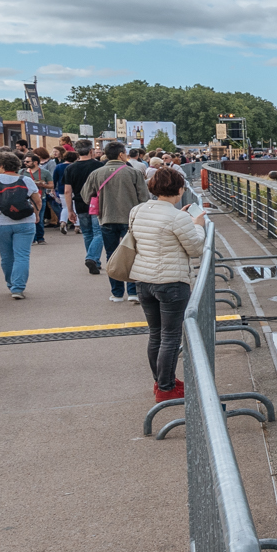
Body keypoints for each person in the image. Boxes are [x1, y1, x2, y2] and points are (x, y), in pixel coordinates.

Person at [127, 165, 205, 402]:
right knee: (171, 336)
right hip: (171, 282)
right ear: (180, 189)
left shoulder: (137, 210)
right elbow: (195, 249)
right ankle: (166, 387)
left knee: (156, 334)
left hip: (143, 279)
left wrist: (182, 220)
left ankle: (160, 381)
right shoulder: (178, 217)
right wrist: (197, 225)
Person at [85, 144, 149, 302]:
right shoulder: (133, 173)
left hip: (106, 218)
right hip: (130, 219)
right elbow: (144, 198)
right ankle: (133, 291)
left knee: (111, 255)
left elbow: (86, 195)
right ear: (121, 155)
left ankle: (117, 292)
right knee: (132, 254)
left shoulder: (96, 173)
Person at [0, 152, 39, 300]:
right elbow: (37, 200)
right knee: (22, 256)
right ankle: (18, 288)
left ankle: (11, 284)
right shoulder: (26, 180)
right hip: (25, 222)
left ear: (0, 165)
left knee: (6, 257)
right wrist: (36, 215)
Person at [65, 149, 103, 273]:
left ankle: (93, 259)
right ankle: (93, 258)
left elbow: (67, 191)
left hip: (80, 203)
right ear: (91, 151)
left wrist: (69, 210)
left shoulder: (70, 168)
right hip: (97, 202)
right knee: (98, 232)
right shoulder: (99, 166)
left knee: (87, 233)